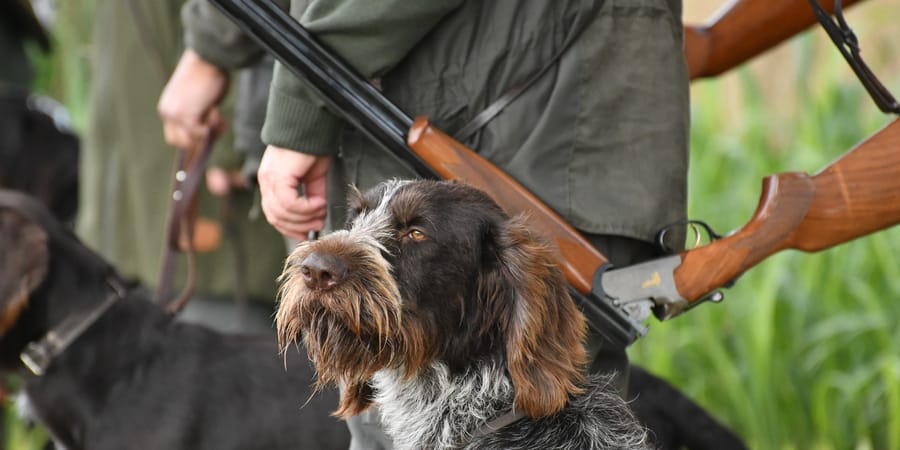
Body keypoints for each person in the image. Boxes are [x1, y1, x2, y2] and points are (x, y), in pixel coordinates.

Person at [160, 0, 688, 448]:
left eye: (410, 233)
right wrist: (215, 43)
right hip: (488, 108)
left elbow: (541, 379)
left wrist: (300, 104)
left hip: (525, 120)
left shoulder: (506, 258)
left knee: (541, 412)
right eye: (358, 218)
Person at [57, 0, 288, 335]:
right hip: (138, 154)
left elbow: (250, 17)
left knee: (223, 348)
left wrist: (235, 137)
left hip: (204, 148)